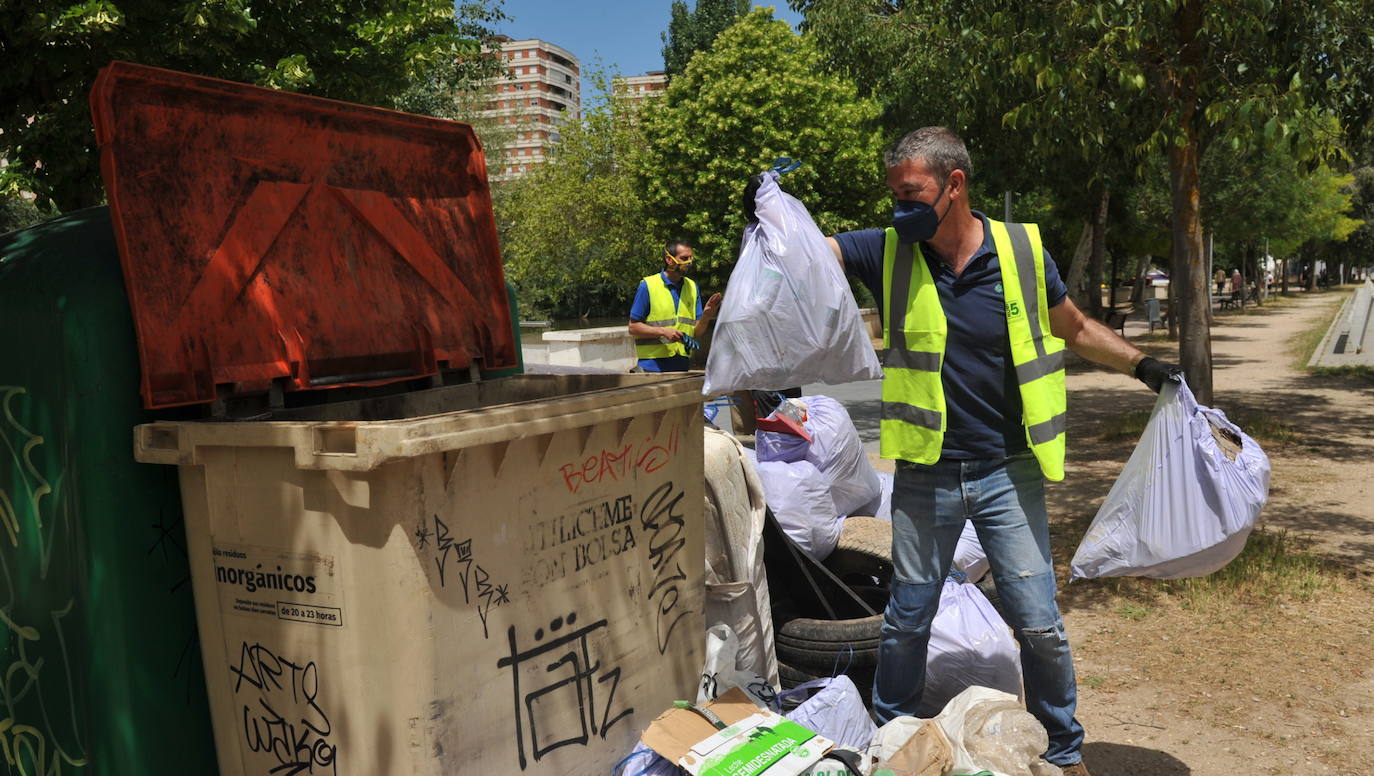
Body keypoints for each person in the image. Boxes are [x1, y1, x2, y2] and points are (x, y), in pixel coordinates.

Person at [745, 127, 1178, 776]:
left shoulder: (1022, 250)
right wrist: (766, 215)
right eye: (893, 195)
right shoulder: (887, 250)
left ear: (955, 185)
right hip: (927, 474)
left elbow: (1076, 327)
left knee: (1038, 621)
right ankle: (890, 744)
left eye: (911, 193)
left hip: (1009, 469)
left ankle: (1065, 752)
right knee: (907, 618)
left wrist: (1145, 367)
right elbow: (807, 256)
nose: (900, 208)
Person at [628, 240, 722, 372]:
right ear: (669, 260)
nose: (689, 262)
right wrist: (664, 331)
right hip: (652, 365)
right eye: (684, 258)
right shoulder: (648, 286)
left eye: (691, 258)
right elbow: (633, 327)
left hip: (682, 365)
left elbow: (696, 332)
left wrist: (706, 316)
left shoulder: (692, 287)